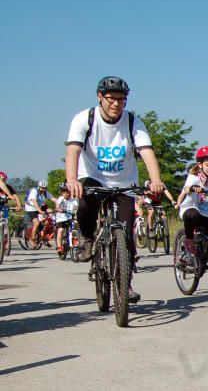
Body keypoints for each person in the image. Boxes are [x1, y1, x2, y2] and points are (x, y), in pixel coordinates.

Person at [65, 76, 165, 303]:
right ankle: (88, 237)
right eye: (111, 99)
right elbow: (73, 151)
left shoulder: (132, 122)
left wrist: (156, 180)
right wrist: (72, 179)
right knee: (86, 201)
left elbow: (146, 151)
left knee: (127, 231)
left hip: (124, 182)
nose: (116, 104)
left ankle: (125, 282)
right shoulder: (85, 119)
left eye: (121, 99)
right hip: (93, 177)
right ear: (100, 97)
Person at [176, 146, 208, 267]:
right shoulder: (194, 177)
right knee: (193, 214)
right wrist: (193, 188)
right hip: (191, 209)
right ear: (200, 165)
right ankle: (189, 240)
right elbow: (186, 189)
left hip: (207, 214)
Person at [54, 183, 78, 256]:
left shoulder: (73, 200)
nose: (66, 194)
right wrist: (58, 209)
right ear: (62, 193)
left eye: (67, 193)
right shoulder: (61, 199)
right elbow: (57, 205)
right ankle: (59, 247)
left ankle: (74, 237)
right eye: (64, 193)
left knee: (76, 222)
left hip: (70, 217)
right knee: (60, 230)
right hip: (61, 218)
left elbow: (76, 208)